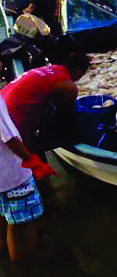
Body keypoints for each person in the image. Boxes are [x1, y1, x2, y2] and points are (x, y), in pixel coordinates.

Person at [0, 51, 91, 157]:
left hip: (3, 105)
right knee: (33, 162)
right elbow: (68, 115)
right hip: (13, 120)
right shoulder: (68, 85)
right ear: (79, 72)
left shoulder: (52, 69)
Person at [0, 95, 56, 262]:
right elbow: (9, 138)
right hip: (11, 177)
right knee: (21, 225)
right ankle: (23, 268)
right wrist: (32, 161)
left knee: (3, 220)